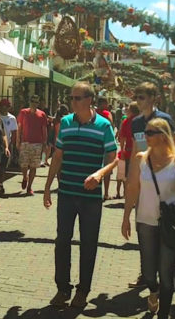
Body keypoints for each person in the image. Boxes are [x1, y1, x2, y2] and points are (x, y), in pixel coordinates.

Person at [43, 82, 118, 309]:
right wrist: (47, 186)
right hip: (66, 192)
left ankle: (82, 291)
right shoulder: (65, 123)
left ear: (89, 100)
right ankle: (62, 288)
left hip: (91, 197)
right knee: (62, 241)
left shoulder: (104, 126)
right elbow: (58, 157)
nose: (72, 102)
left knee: (88, 244)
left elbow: (114, 158)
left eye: (76, 98)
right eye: (71, 98)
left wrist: (100, 174)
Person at [120, 118, 175, 318]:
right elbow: (132, 188)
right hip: (145, 220)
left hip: (170, 224)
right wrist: (126, 216)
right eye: (145, 132)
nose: (145, 136)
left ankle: (164, 313)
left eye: (150, 132)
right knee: (148, 272)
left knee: (166, 272)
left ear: (163, 136)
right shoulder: (139, 158)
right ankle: (153, 293)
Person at [118, 82, 175, 289]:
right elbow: (136, 150)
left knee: (165, 229)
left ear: (154, 98)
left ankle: (169, 271)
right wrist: (132, 175)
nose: (138, 100)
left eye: (142, 96)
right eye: (137, 96)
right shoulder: (135, 123)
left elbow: (174, 148)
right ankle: (146, 273)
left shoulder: (165, 120)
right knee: (143, 229)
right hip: (143, 178)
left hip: (163, 180)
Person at [17, 93, 49, 196]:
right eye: (33, 101)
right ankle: (25, 177)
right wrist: (18, 141)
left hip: (37, 143)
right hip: (25, 142)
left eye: (36, 102)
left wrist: (45, 143)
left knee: (34, 166)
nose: (34, 104)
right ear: (29, 102)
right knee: (23, 164)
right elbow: (19, 127)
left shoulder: (42, 114)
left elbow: (44, 129)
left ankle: (29, 187)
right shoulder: (23, 112)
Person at [116, 102, 140, 201]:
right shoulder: (142, 121)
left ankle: (128, 196)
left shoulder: (126, 122)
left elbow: (122, 138)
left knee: (128, 176)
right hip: (141, 153)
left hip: (129, 152)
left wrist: (122, 151)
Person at [0, 98, 18, 194]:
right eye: (3, 106)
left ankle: (0, 183)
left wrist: (13, 145)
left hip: (7, 145)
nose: (5, 108)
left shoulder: (12, 118)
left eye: (7, 106)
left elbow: (14, 133)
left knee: (3, 166)